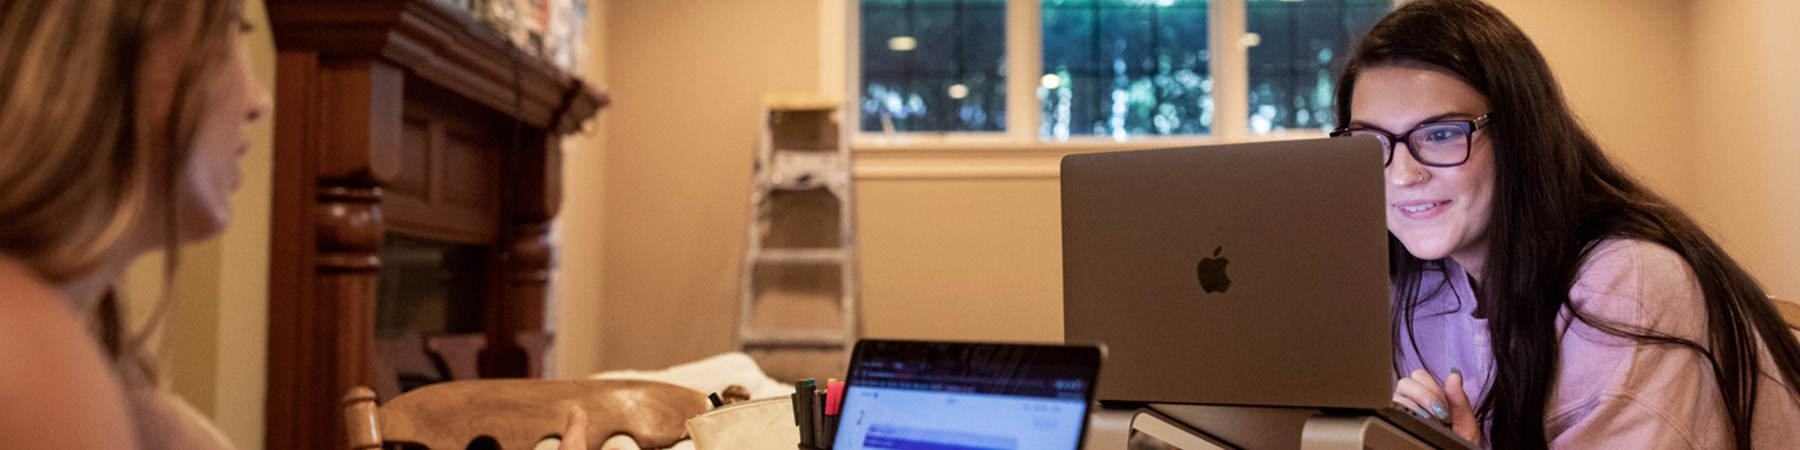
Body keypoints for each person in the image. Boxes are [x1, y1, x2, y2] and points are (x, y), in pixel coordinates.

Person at [0, 1, 603, 450]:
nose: (259, 96)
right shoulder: (29, 356)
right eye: (231, 33)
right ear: (121, 46)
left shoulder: (97, 346)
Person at [1327, 0, 1800, 448]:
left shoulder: (1627, 285)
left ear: (1519, 135)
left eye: (1442, 133)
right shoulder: (1413, 285)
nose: (1404, 174)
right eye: (1369, 141)